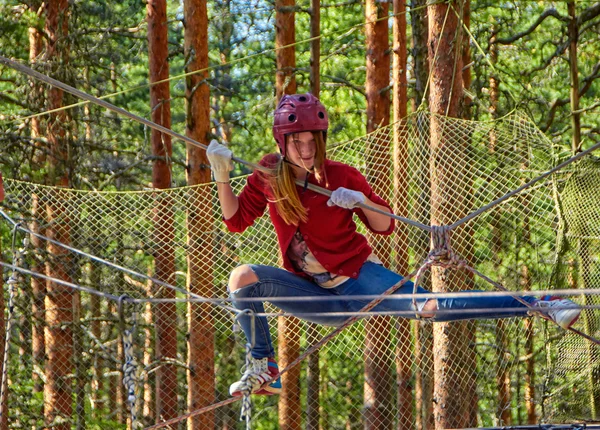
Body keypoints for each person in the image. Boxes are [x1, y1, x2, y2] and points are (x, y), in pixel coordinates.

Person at [206, 93, 581, 397]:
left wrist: (360, 200)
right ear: (281, 142)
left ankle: (539, 304)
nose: (306, 151)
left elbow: (385, 226)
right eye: (297, 142)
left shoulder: (340, 175)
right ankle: (264, 367)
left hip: (358, 279)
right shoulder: (269, 174)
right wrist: (221, 176)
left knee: (430, 305)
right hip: (312, 293)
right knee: (242, 277)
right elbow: (235, 220)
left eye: (312, 142)